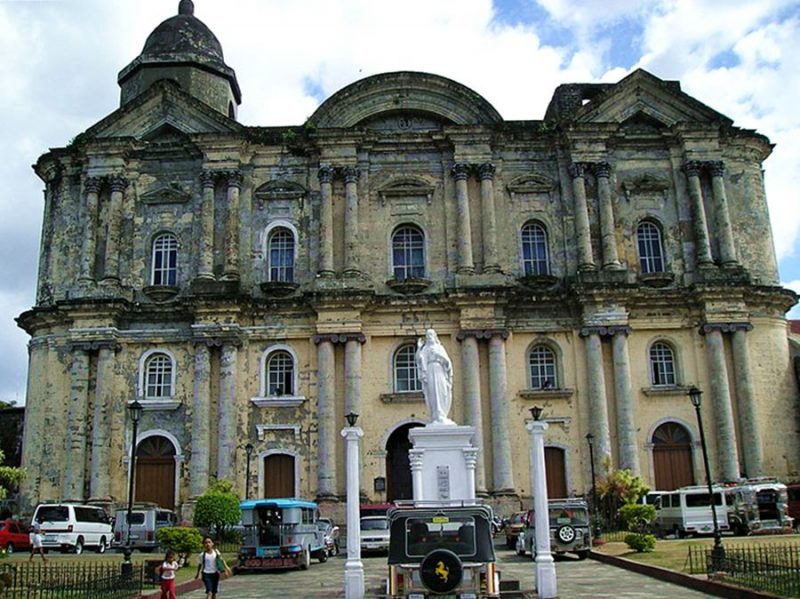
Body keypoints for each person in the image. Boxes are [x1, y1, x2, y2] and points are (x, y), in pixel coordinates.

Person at [415, 329, 455, 425]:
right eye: (427, 335)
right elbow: (419, 360)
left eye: (431, 335)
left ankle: (442, 415)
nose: (429, 337)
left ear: (434, 336)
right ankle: (435, 415)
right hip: (430, 370)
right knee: (432, 392)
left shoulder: (440, 348)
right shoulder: (425, 349)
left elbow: (447, 362)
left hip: (439, 370)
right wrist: (419, 349)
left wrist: (439, 355)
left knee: (442, 391)